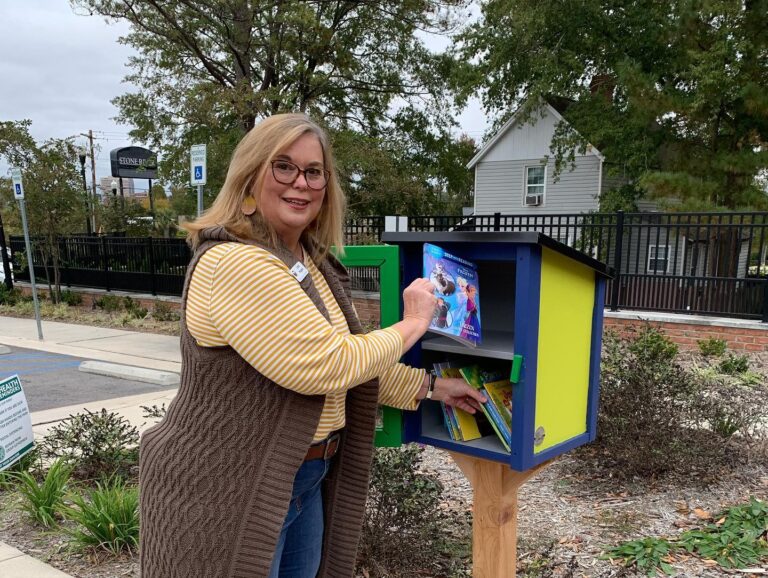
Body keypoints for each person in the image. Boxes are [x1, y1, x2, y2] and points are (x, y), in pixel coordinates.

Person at [139, 113, 486, 578]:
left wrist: (433, 387)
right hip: (228, 486)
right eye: (282, 166)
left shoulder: (306, 261)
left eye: (313, 171)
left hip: (301, 477)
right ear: (248, 178)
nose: (300, 182)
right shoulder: (235, 262)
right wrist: (415, 322)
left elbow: (344, 358)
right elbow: (326, 365)